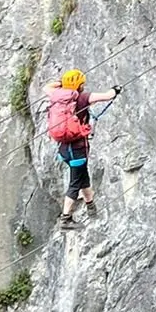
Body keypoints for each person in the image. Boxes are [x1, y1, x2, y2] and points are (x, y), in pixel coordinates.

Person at [46, 68, 118, 227]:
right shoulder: (82, 98)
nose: (83, 86)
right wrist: (116, 90)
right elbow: (108, 96)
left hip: (64, 149)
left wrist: (61, 83)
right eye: (82, 84)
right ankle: (66, 219)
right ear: (79, 85)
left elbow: (46, 87)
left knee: (83, 176)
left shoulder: (56, 97)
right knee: (75, 183)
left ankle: (90, 205)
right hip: (77, 150)